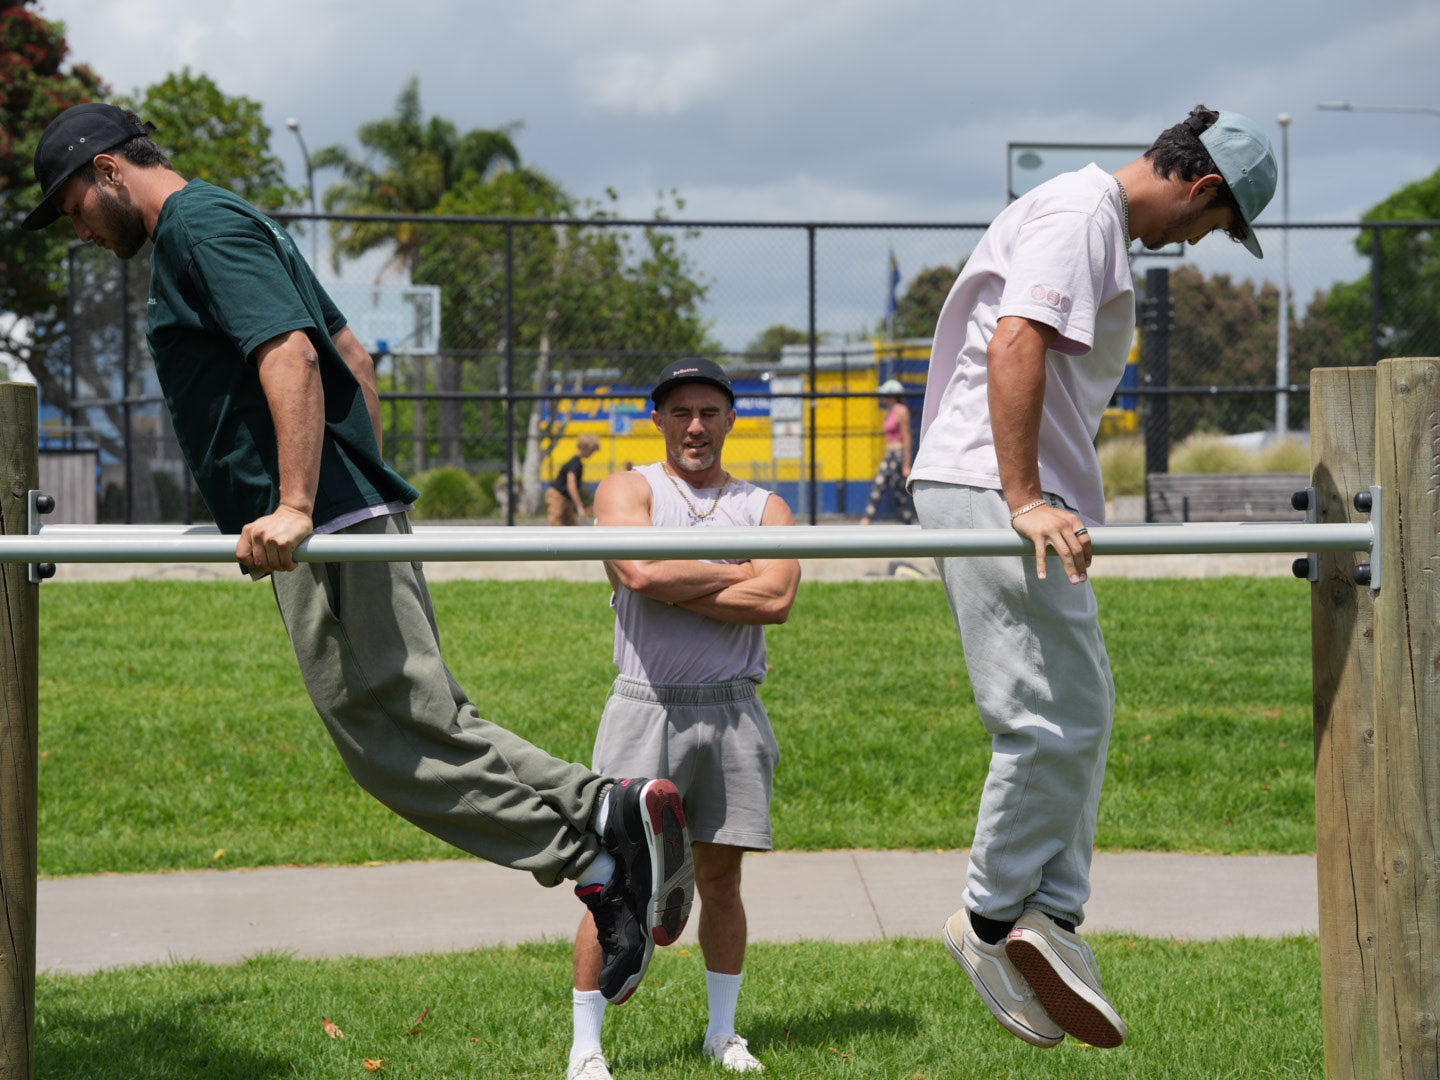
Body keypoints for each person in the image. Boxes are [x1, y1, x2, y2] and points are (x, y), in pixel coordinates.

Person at [23, 102, 698, 1007]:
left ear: (108, 170)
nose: (82, 233)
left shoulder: (195, 228)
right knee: (428, 718)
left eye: (74, 208)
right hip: (342, 518)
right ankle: (607, 810)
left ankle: (599, 866)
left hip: (322, 528)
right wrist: (356, 490)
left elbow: (295, 357)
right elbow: (354, 356)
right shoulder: (230, 217)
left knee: (385, 744)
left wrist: (303, 504)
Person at [908, 106, 1276, 1050]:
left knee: (1086, 704)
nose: (1200, 242)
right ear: (1202, 187)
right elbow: (1015, 340)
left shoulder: (1093, 221)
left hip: (1013, 490)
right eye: (1217, 223)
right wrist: (1026, 497)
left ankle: (1053, 918)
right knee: (1046, 715)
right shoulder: (1081, 216)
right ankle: (991, 919)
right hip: (991, 486)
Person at [564, 358, 800, 1080]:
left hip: (734, 711)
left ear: (730, 419)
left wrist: (678, 578)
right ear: (659, 419)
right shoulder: (628, 488)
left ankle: (722, 1034)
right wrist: (738, 571)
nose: (695, 426)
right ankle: (586, 1048)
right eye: (680, 412)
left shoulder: (766, 507)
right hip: (646, 706)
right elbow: (639, 572)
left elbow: (776, 601)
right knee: (615, 879)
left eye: (709, 412)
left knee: (721, 880)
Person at [858, 378, 914, 525]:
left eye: (886, 395)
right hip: (889, 455)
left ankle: (907, 522)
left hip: (899, 455)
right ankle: (866, 520)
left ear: (893, 396)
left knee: (898, 493)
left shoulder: (902, 411)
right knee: (880, 486)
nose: (883, 398)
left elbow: (907, 437)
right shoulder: (888, 412)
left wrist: (907, 464)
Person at [549, 433, 601, 525]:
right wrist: (579, 506)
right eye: (592, 451)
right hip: (558, 495)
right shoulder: (575, 464)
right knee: (556, 521)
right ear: (585, 448)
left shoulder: (577, 463)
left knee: (570, 523)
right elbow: (571, 485)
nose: (592, 454)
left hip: (567, 497)